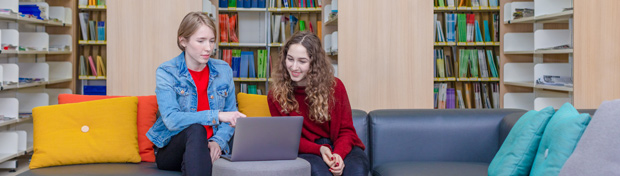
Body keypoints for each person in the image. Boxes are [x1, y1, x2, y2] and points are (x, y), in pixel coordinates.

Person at [146, 12, 246, 175]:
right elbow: (171, 119)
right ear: (183, 41)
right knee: (196, 129)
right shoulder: (167, 71)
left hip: (209, 147)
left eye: (212, 41)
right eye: (201, 41)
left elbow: (231, 115)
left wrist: (217, 142)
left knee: (199, 156)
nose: (209, 48)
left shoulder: (223, 70)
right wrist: (217, 115)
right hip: (173, 149)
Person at [267, 31, 369, 176]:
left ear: (314, 63)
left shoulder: (335, 86)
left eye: (302, 61)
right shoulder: (275, 94)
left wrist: (338, 155)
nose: (294, 67)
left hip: (339, 144)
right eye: (290, 59)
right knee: (320, 173)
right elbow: (287, 139)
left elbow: (346, 131)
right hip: (306, 148)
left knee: (358, 171)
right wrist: (319, 149)